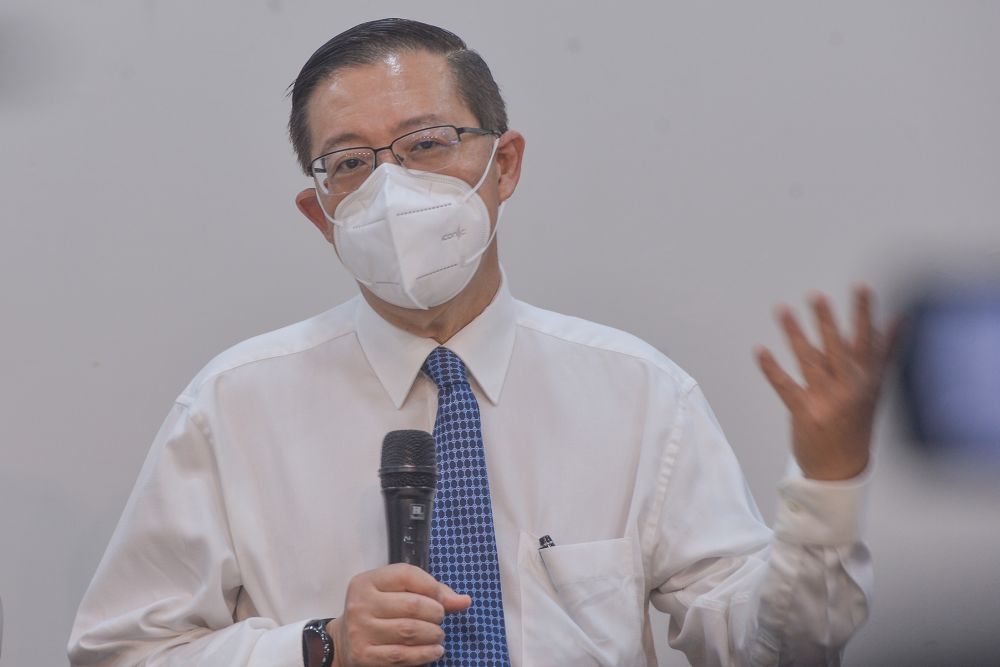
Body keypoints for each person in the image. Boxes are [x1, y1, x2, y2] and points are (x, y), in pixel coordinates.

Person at [68, 18, 897, 667]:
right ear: (320, 214)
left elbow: (772, 650)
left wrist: (827, 482)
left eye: (428, 144)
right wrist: (316, 646)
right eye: (350, 163)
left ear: (505, 166)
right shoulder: (233, 404)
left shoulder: (639, 394)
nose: (393, 188)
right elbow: (121, 650)